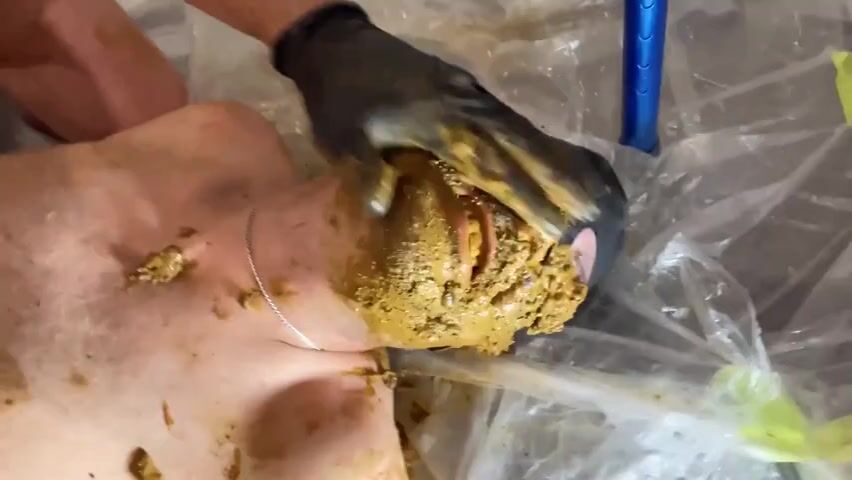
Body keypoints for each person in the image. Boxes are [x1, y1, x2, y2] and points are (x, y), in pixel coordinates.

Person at [0, 1, 627, 478]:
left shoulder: (324, 435)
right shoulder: (214, 138)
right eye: (511, 184)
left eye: (532, 282)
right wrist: (320, 34)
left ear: (475, 342)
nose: (499, 235)